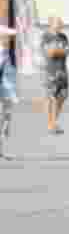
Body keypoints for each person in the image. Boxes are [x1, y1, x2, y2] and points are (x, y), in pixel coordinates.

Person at [41, 16, 69, 134]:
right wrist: (61, 51)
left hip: (62, 70)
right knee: (51, 97)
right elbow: (50, 53)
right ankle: (51, 124)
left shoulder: (63, 36)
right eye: (58, 23)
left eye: (61, 23)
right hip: (51, 71)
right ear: (51, 24)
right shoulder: (46, 36)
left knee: (63, 95)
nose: (60, 25)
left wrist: (60, 50)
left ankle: (54, 121)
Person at [0, 25, 17, 160]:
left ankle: (2, 150)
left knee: (5, 120)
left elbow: (8, 75)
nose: (9, 40)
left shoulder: (5, 53)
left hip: (5, 92)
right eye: (7, 37)